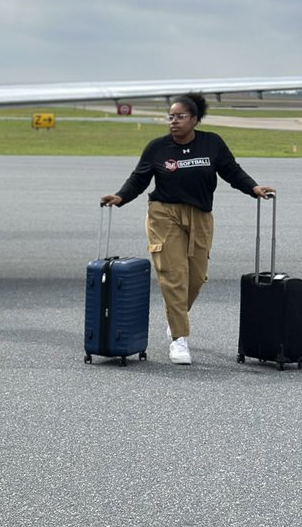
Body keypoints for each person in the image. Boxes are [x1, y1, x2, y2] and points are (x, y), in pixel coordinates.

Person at [101, 93, 274, 365]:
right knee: (174, 274)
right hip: (163, 214)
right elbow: (139, 178)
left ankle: (175, 314)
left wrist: (253, 188)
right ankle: (179, 339)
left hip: (200, 216)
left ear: (194, 119)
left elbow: (231, 170)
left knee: (196, 276)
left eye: (180, 116)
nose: (174, 121)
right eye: (170, 116)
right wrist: (120, 197)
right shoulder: (157, 148)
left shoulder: (212, 143)